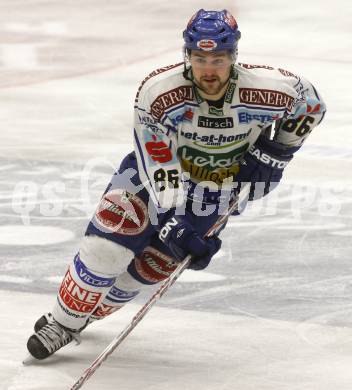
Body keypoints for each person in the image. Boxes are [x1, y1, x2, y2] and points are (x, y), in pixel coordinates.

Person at [26, 9, 326, 360]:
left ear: (233, 56)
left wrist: (276, 153)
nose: (209, 69)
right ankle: (62, 324)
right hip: (153, 175)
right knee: (111, 242)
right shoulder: (160, 91)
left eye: (218, 58)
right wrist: (172, 221)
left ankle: (84, 316)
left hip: (218, 188)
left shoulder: (269, 89)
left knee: (152, 266)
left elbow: (312, 105)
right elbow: (157, 160)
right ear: (187, 55)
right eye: (200, 58)